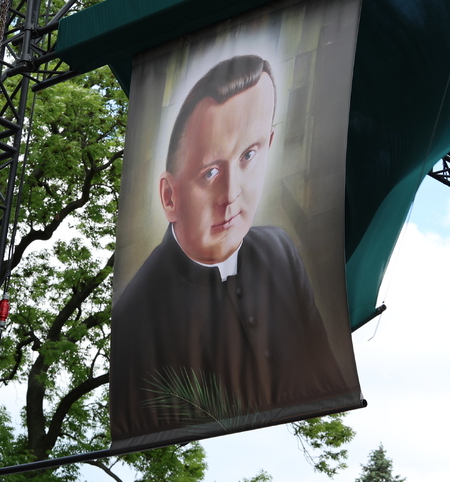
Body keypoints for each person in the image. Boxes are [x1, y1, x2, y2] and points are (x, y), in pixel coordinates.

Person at [111, 55, 351, 442]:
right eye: (210, 172)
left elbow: (324, 377)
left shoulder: (279, 250)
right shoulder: (134, 318)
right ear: (170, 196)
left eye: (249, 156)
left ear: (269, 145)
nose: (231, 194)